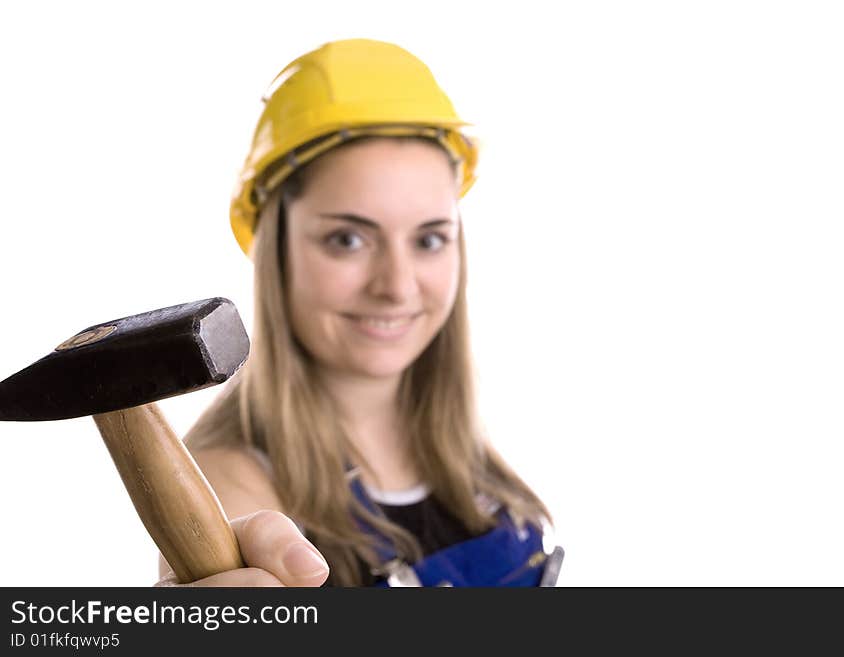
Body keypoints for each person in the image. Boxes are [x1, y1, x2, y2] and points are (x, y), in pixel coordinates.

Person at [155, 38, 562, 587]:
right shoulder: (230, 492)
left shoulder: (465, 455)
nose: (396, 286)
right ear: (276, 253)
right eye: (348, 239)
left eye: (429, 239)